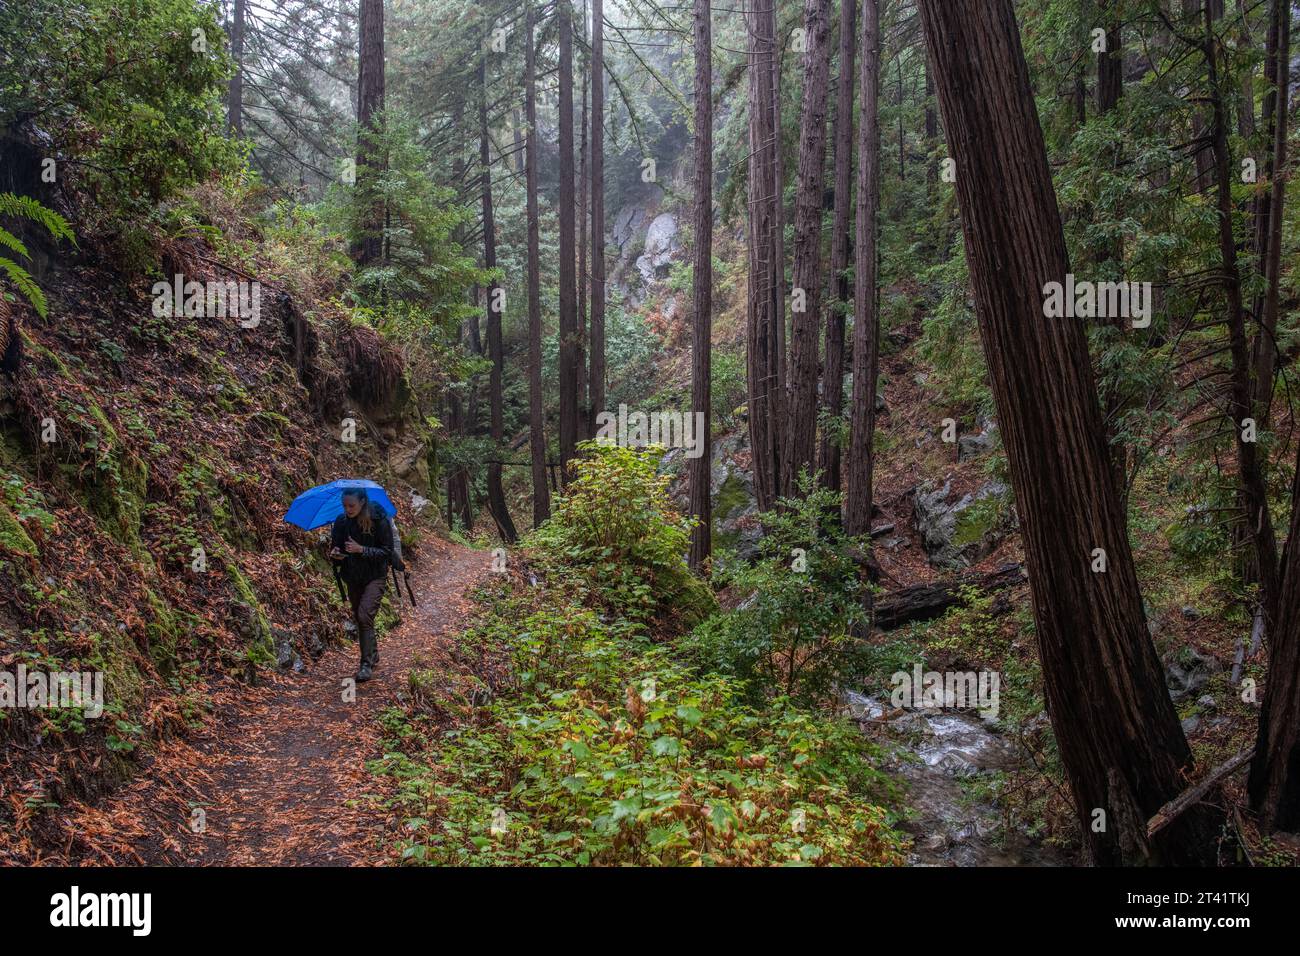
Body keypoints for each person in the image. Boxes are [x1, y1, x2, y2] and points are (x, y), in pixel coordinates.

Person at [328, 487, 393, 682]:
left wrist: (361, 549)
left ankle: (365, 665)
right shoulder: (341, 522)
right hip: (352, 576)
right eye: (345, 505)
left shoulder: (378, 518)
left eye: (351, 505)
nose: (348, 509)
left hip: (375, 575)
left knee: (365, 614)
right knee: (359, 616)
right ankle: (372, 654)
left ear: (362, 502)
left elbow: (387, 552)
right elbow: (337, 548)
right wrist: (335, 555)